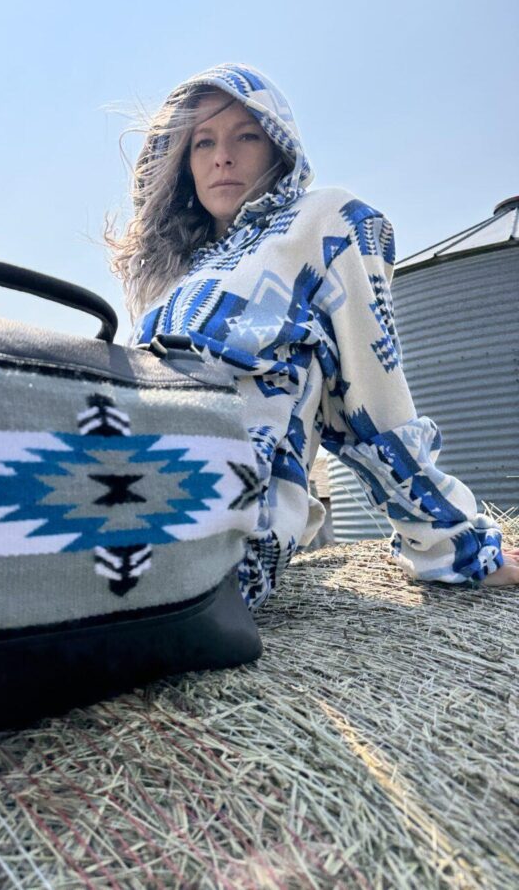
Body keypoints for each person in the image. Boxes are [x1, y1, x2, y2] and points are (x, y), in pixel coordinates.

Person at [104, 62, 518, 611]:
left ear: (279, 148)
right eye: (203, 142)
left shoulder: (327, 222)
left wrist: (457, 547)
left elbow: (374, 401)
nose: (221, 156)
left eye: (245, 135)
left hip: (215, 528)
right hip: (108, 486)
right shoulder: (180, 276)